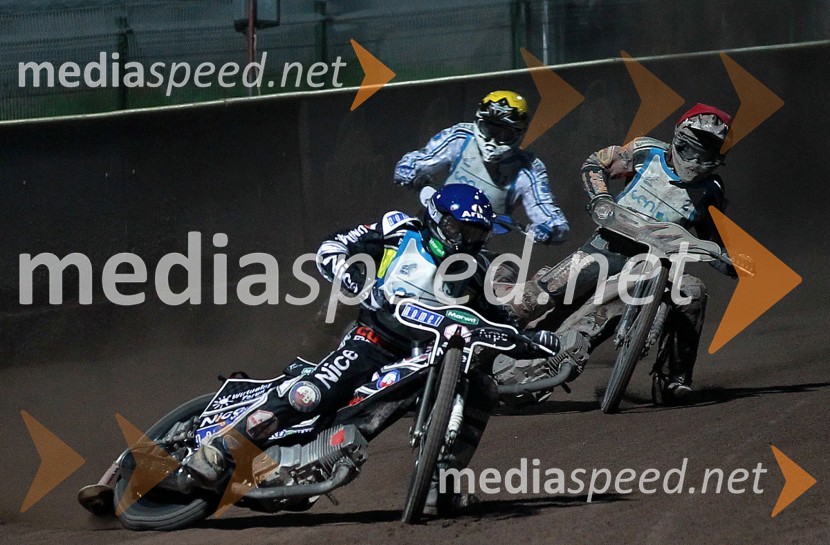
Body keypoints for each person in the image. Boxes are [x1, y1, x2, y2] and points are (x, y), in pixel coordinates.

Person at [184, 183, 578, 515]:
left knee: (481, 389)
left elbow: (494, 319)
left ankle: (442, 484)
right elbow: (335, 245)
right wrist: (348, 268)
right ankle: (220, 451)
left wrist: (531, 341)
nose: (465, 241)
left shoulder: (475, 272)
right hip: (372, 341)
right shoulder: (399, 230)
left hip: (426, 355)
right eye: (460, 230)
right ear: (439, 221)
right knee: (310, 395)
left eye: (475, 234)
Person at [500, 104, 747, 399]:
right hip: (606, 247)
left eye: (710, 153)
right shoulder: (646, 151)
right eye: (698, 150)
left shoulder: (711, 191)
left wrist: (733, 261)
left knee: (692, 292)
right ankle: (481, 339)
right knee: (535, 298)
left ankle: (672, 380)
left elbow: (715, 239)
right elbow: (596, 162)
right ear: (681, 139)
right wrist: (600, 197)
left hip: (657, 267)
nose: (701, 159)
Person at [394, 90, 569, 244]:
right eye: (489, 128)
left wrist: (549, 229)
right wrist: (411, 174)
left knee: (502, 276)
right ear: (478, 122)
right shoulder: (460, 137)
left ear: (519, 133)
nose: (493, 140)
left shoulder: (529, 168)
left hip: (476, 247)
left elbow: (551, 215)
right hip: (431, 227)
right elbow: (417, 160)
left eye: (503, 133)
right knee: (383, 238)